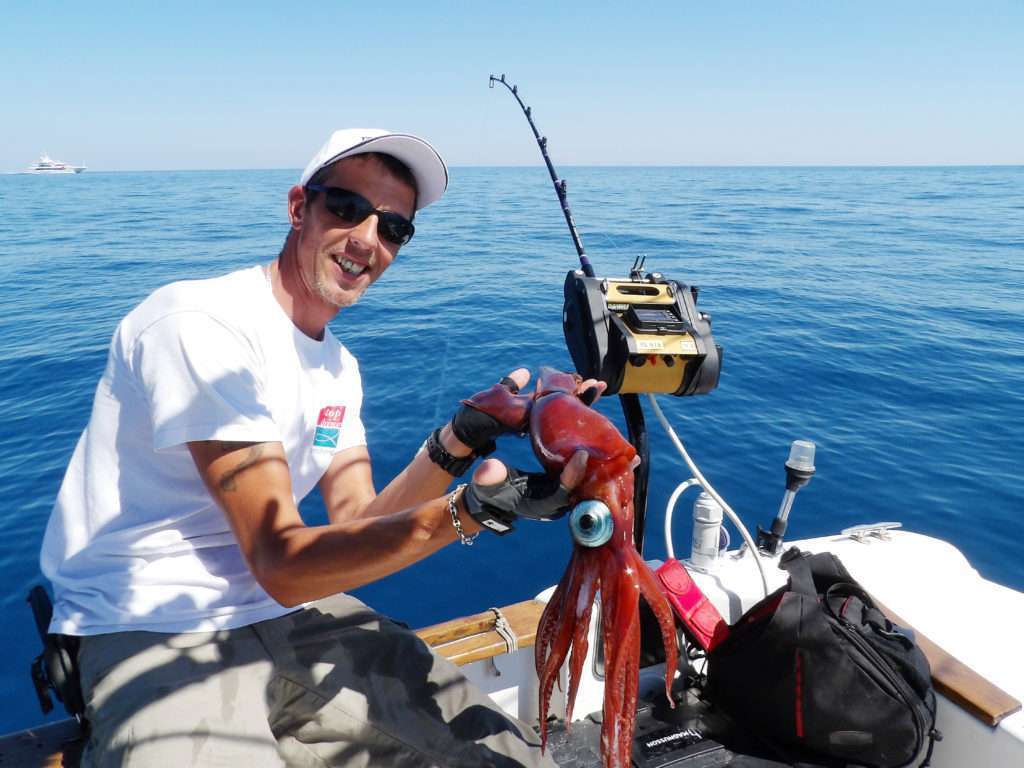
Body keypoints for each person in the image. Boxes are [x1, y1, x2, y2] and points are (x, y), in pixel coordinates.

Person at [40, 129, 600, 767]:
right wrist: (469, 511)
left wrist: (464, 434)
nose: (368, 238)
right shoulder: (198, 325)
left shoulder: (338, 368)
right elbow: (279, 560)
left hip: (290, 611)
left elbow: (359, 519)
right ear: (298, 206)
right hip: (150, 621)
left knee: (505, 755)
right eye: (346, 207)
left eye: (394, 227)